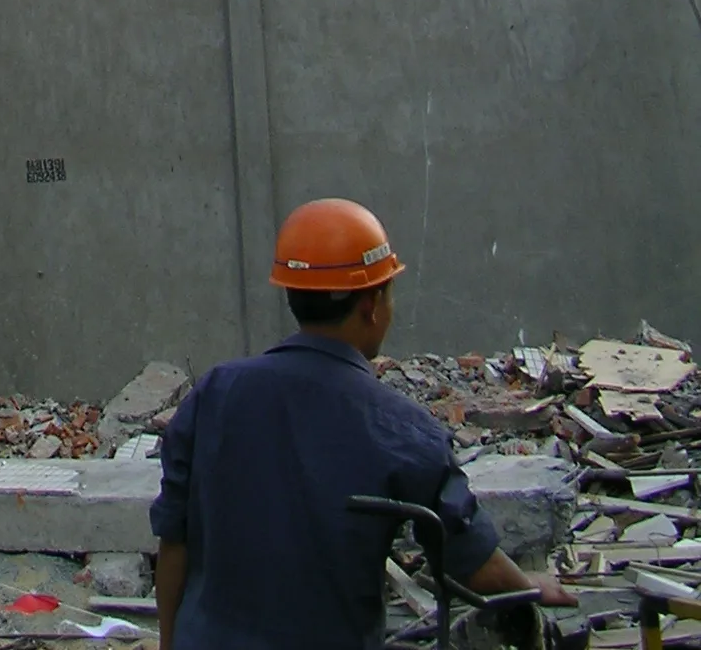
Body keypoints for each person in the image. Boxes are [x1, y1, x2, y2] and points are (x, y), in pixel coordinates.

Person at [151, 198, 577, 650]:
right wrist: (530, 586)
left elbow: (173, 544)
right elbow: (473, 563)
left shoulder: (213, 394)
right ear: (371, 305)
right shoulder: (403, 430)